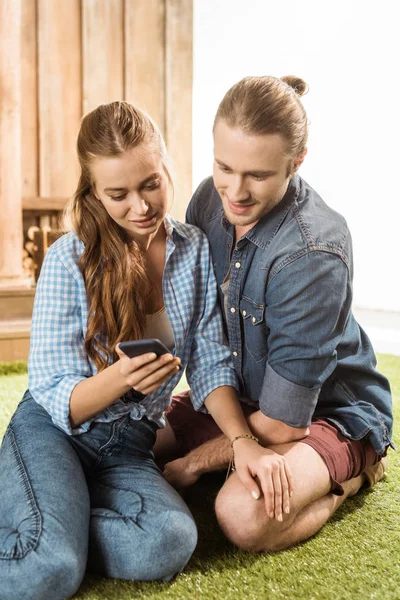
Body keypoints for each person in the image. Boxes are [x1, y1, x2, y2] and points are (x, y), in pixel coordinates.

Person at [0, 101, 288, 600]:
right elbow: (52, 394)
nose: (141, 207)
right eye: (118, 194)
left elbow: (210, 361)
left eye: (151, 183)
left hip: (130, 447)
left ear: (166, 166)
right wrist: (124, 378)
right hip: (55, 433)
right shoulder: (69, 259)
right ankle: (51, 531)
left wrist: (243, 443)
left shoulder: (193, 247)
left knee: (170, 540)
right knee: (50, 569)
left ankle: (51, 518)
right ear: (94, 192)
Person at [156, 75, 394, 552]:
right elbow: (203, 329)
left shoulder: (314, 253)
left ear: (296, 162)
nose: (236, 193)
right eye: (225, 166)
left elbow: (286, 424)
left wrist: (195, 463)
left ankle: (356, 473)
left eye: (258, 176)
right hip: (244, 399)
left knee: (242, 515)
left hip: (326, 414)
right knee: (127, 436)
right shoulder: (208, 198)